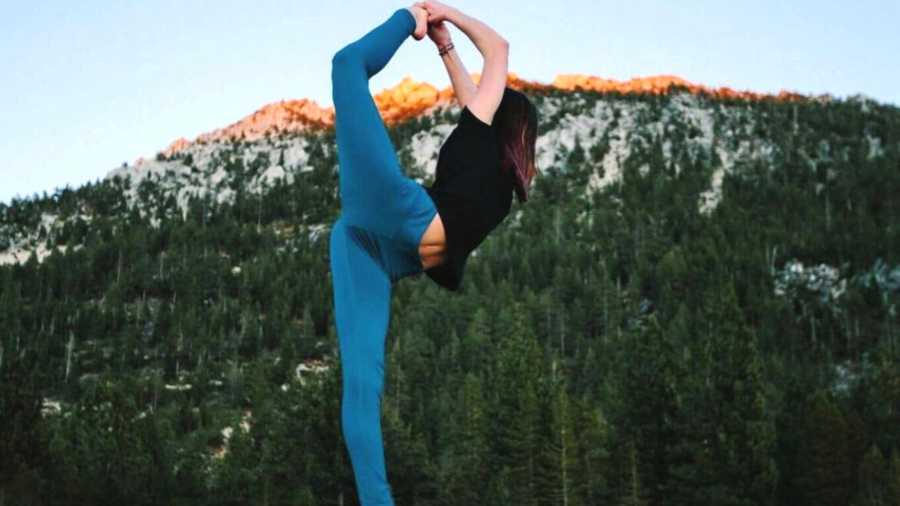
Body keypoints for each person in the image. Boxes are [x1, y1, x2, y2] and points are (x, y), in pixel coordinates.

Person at [328, 2, 539, 504]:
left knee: (345, 65)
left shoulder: (485, 134)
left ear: (503, 115)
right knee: (361, 381)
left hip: (401, 216)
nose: (485, 91)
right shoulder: (495, 165)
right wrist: (444, 45)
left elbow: (499, 48)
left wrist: (428, 14)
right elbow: (472, 90)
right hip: (377, 246)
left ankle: (401, 16)